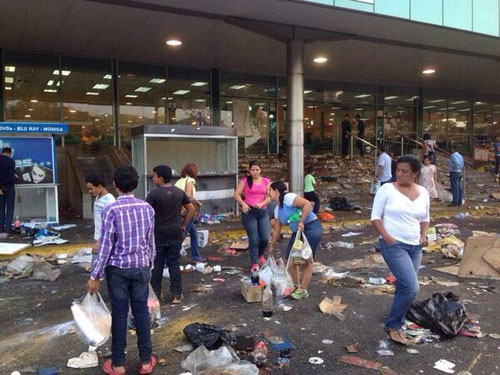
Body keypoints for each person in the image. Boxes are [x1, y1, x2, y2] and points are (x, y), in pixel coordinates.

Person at [87, 165, 156, 375]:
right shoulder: (147, 208)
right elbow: (151, 242)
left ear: (115, 185)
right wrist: (149, 266)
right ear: (135, 184)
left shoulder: (111, 210)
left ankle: (118, 364)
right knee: (141, 313)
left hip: (117, 269)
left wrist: (95, 275)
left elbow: (106, 246)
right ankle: (145, 361)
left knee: (119, 314)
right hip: (141, 267)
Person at [371, 155, 430, 345]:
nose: (399, 174)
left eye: (404, 171)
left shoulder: (423, 192)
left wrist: (423, 235)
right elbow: (375, 217)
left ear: (415, 173)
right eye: (398, 170)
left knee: (403, 286)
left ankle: (397, 321)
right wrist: (388, 239)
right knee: (412, 287)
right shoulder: (387, 189)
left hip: (415, 246)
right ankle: (393, 324)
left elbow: (425, 217)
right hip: (394, 245)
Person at [147, 165, 195, 304]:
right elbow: (191, 209)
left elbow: (147, 213)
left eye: (154, 176)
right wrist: (184, 225)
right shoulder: (179, 192)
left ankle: (156, 293)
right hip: (175, 232)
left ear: (160, 178)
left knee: (158, 264)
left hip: (159, 233)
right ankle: (176, 294)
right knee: (174, 263)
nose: (153, 178)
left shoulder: (153, 194)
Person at [267, 181, 323, 300]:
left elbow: (307, 204)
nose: (268, 193)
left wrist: (301, 221)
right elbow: (277, 231)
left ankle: (303, 290)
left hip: (311, 226)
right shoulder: (278, 209)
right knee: (290, 258)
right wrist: (271, 245)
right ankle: (297, 287)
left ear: (276, 191)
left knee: (306, 258)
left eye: (270, 191)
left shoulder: (288, 197)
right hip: (298, 232)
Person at [234, 160, 271, 273]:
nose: (255, 172)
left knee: (265, 238)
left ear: (260, 170)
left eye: (257, 169)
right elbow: (236, 194)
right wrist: (243, 204)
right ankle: (254, 262)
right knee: (254, 238)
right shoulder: (245, 181)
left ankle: (260, 255)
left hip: (262, 211)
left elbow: (270, 197)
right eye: (253, 170)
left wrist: (262, 203)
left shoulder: (266, 181)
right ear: (249, 171)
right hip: (249, 212)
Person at [175, 163, 205, 262]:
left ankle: (196, 256)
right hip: (187, 211)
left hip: (178, 210)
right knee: (182, 234)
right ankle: (170, 257)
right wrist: (196, 201)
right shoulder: (190, 180)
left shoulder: (179, 181)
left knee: (193, 233)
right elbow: (188, 194)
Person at [85, 174, 116, 265]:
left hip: (104, 240)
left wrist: (99, 241)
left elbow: (110, 224)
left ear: (99, 186)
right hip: (99, 237)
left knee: (96, 268)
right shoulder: (98, 197)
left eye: (91, 188)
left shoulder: (109, 201)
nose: (90, 191)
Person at [0, 147, 15, 237]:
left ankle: (0, 228)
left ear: (2, 152)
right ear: (9, 153)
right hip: (9, 187)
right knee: (10, 208)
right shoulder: (11, 161)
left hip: (0, 189)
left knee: (1, 208)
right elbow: (10, 176)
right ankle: (8, 228)